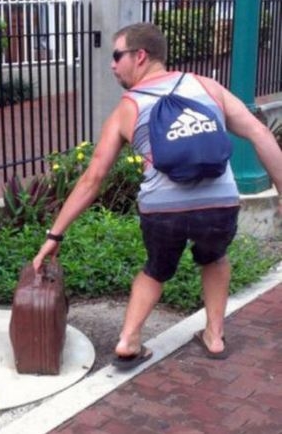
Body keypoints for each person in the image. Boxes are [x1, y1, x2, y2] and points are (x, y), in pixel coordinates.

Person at [33, 22, 282, 369]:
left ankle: (129, 340)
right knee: (215, 259)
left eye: (117, 56)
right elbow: (259, 133)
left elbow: (93, 179)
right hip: (219, 202)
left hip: (162, 210)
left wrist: (54, 235)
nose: (112, 64)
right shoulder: (207, 87)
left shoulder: (127, 107)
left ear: (140, 56)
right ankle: (214, 336)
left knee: (155, 270)